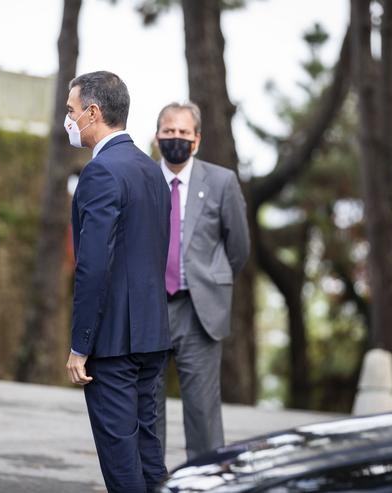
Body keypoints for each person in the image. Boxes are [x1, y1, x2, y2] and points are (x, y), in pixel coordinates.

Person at [64, 71, 171, 493]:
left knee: (121, 461)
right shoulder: (152, 171)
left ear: (93, 113)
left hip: (112, 345)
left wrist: (80, 345)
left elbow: (93, 266)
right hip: (151, 335)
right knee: (150, 454)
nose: (68, 120)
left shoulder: (101, 173)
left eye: (72, 111)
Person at [155, 101, 250, 461]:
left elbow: (238, 246)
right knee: (148, 405)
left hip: (200, 310)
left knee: (202, 412)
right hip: (152, 306)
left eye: (183, 132)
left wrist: (213, 280)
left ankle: (207, 481)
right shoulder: (144, 179)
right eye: (169, 131)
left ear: (196, 139)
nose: (175, 138)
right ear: (157, 136)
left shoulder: (221, 182)